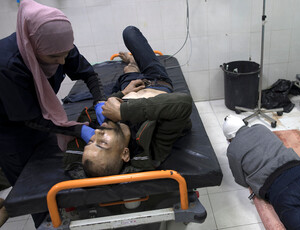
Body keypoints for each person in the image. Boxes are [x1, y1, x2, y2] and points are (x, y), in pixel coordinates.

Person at [0, 0, 106, 226]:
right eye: (53, 58)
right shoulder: (8, 65)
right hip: (10, 131)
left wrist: (101, 101)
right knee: (35, 196)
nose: (61, 62)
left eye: (65, 55)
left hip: (41, 120)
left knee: (53, 180)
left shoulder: (60, 46)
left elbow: (89, 74)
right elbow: (29, 117)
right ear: (33, 48)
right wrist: (78, 129)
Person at [64, 26, 193, 178]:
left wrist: (123, 93)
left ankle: (131, 64)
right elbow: (183, 103)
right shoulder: (150, 146)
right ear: (125, 154)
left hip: (129, 86)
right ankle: (132, 62)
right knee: (130, 35)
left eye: (91, 141)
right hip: (158, 80)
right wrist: (122, 111)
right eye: (102, 143)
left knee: (129, 51)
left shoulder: (107, 125)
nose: (97, 133)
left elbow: (74, 159)